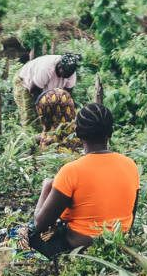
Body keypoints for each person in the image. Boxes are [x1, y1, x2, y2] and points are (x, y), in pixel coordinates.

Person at [25, 103, 140, 257]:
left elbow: (39, 224)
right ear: (110, 132)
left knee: (16, 236)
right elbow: (130, 215)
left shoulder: (72, 171)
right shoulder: (130, 165)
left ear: (78, 133)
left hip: (78, 249)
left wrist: (46, 187)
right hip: (118, 245)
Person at [13, 53, 81, 127]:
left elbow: (67, 94)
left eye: (69, 74)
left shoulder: (71, 72)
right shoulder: (46, 69)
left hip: (45, 87)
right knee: (30, 115)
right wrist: (44, 111)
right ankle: (28, 135)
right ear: (59, 66)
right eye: (65, 73)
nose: (66, 77)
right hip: (25, 82)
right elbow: (34, 91)